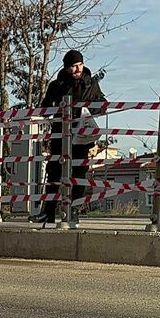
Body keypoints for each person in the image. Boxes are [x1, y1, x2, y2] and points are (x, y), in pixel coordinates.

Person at [34, 49, 106, 224]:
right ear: (67, 67)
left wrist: (88, 111)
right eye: (74, 66)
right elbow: (44, 108)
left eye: (80, 65)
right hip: (60, 136)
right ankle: (49, 213)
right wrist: (53, 110)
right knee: (54, 175)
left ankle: (73, 211)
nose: (78, 69)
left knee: (79, 176)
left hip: (82, 137)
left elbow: (102, 104)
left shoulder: (91, 84)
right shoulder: (56, 85)